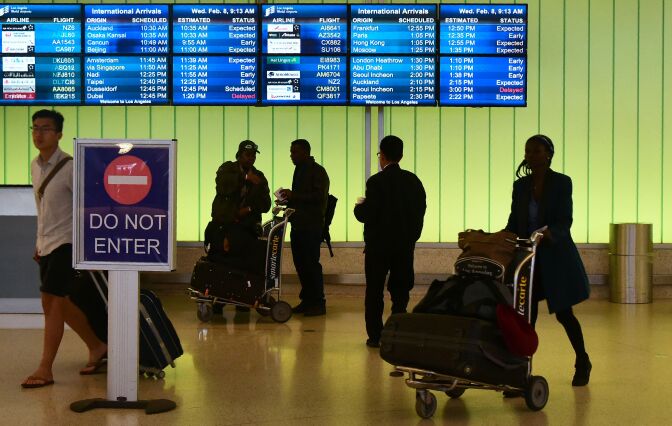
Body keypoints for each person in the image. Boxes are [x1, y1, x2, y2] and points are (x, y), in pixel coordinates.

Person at [22, 109, 108, 388]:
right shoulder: (35, 166)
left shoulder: (71, 168)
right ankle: (97, 347)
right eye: (35, 128)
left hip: (67, 243)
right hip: (47, 243)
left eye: (46, 128)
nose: (39, 133)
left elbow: (88, 208)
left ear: (59, 134)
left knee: (52, 301)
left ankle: (45, 368)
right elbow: (42, 209)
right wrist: (39, 242)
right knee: (61, 302)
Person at [505, 134, 592, 386]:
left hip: (556, 259)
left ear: (549, 154)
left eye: (536, 151)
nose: (531, 155)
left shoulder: (562, 183)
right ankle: (521, 372)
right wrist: (500, 237)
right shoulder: (520, 186)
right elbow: (514, 221)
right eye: (527, 151)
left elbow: (565, 220)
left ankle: (582, 360)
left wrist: (547, 233)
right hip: (528, 262)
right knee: (525, 317)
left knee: (564, 314)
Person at [354, 135, 426, 348]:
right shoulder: (413, 181)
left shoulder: (376, 182)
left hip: (378, 246)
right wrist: (411, 237)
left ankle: (375, 336)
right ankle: (398, 330)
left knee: (375, 291)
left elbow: (368, 213)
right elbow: (419, 212)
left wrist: (358, 208)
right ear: (401, 155)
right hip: (404, 246)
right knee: (401, 289)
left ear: (382, 156)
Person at [208, 140, 271, 312]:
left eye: (253, 156)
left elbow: (266, 204)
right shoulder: (228, 169)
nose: (250, 159)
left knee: (244, 264)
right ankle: (218, 300)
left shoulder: (259, 176)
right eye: (247, 155)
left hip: (245, 229)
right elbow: (222, 186)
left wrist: (249, 208)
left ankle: (243, 300)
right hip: (224, 225)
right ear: (240, 154)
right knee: (221, 263)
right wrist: (244, 178)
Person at [279, 139, 330, 316]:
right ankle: (308, 300)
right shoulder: (300, 170)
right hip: (299, 224)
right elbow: (303, 197)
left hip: (311, 226)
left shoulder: (317, 171)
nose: (291, 155)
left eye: (294, 152)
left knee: (310, 264)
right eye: (291, 151)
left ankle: (318, 301)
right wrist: (289, 199)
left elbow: (318, 196)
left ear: (305, 152)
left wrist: (295, 195)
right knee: (301, 264)